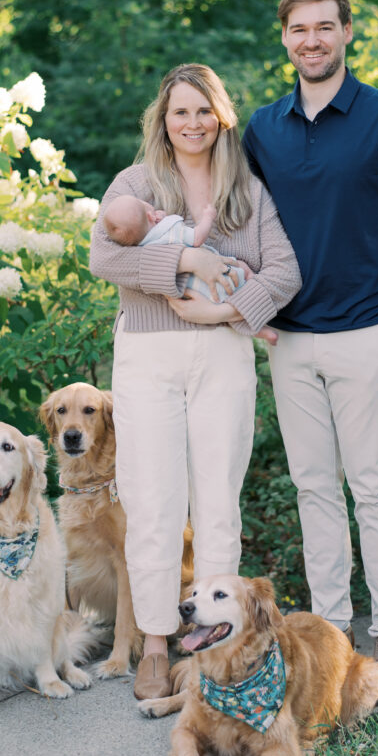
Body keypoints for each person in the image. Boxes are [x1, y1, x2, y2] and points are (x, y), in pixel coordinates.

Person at [242, 0, 378, 699]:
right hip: (290, 340)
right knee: (312, 490)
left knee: (374, 487)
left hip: (365, 332)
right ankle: (329, 638)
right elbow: (237, 224)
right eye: (299, 29)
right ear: (284, 38)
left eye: (324, 27)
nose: (312, 40)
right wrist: (252, 307)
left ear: (346, 32)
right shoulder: (262, 128)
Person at [89, 63, 301, 699]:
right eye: (180, 112)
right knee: (152, 501)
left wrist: (224, 309)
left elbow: (285, 272)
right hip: (148, 355)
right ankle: (156, 641)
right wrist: (188, 257)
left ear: (221, 118)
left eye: (203, 111)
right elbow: (105, 256)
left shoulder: (246, 192)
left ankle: (217, 639)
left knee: (217, 501)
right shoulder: (135, 183)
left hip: (222, 354)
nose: (192, 123)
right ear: (164, 120)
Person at [102, 193, 278, 343]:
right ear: (151, 216)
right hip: (217, 279)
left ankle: (260, 331)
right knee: (241, 275)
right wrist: (208, 217)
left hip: (198, 294)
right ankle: (259, 320)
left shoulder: (141, 247)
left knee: (227, 304)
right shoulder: (171, 230)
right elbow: (196, 238)